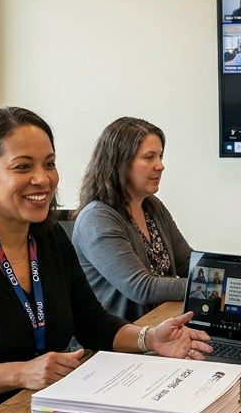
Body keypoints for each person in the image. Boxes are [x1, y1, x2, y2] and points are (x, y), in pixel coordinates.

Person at [0, 107, 212, 413]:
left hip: (39, 403)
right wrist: (22, 372)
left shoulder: (48, 240)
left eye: (49, 164)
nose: (43, 179)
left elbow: (92, 323)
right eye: (23, 167)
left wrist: (150, 338)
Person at [72, 117, 192, 321]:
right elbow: (142, 288)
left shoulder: (153, 206)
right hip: (122, 335)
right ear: (120, 163)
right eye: (149, 157)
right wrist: (209, 287)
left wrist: (234, 275)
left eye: (160, 156)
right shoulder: (96, 218)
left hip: (161, 325)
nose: (160, 166)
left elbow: (188, 263)